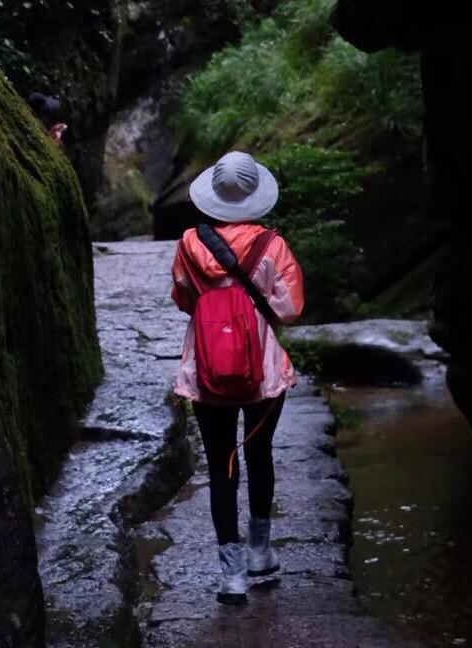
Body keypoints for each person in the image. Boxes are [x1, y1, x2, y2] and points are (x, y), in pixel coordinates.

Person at [171, 150, 305, 605]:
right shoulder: (273, 246)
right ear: (254, 195)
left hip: (206, 368)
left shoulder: (191, 243)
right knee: (259, 454)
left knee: (221, 464)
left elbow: (183, 298)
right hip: (262, 371)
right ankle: (260, 552)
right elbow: (289, 309)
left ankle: (231, 576)